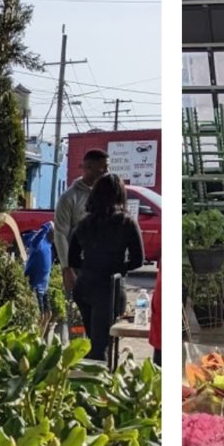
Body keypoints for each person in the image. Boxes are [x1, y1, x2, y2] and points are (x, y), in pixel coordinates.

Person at [67, 174, 146, 363]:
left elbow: (73, 259)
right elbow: (138, 260)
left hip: (85, 286)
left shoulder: (84, 224)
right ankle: (101, 382)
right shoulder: (126, 223)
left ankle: (94, 376)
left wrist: (89, 266)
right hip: (110, 287)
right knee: (102, 343)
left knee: (94, 339)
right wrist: (120, 267)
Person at [56, 148, 108, 291]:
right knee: (77, 309)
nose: (106, 172)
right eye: (103, 168)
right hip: (79, 267)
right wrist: (67, 268)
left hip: (103, 267)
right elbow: (60, 234)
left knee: (103, 312)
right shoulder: (69, 197)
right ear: (89, 168)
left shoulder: (106, 195)